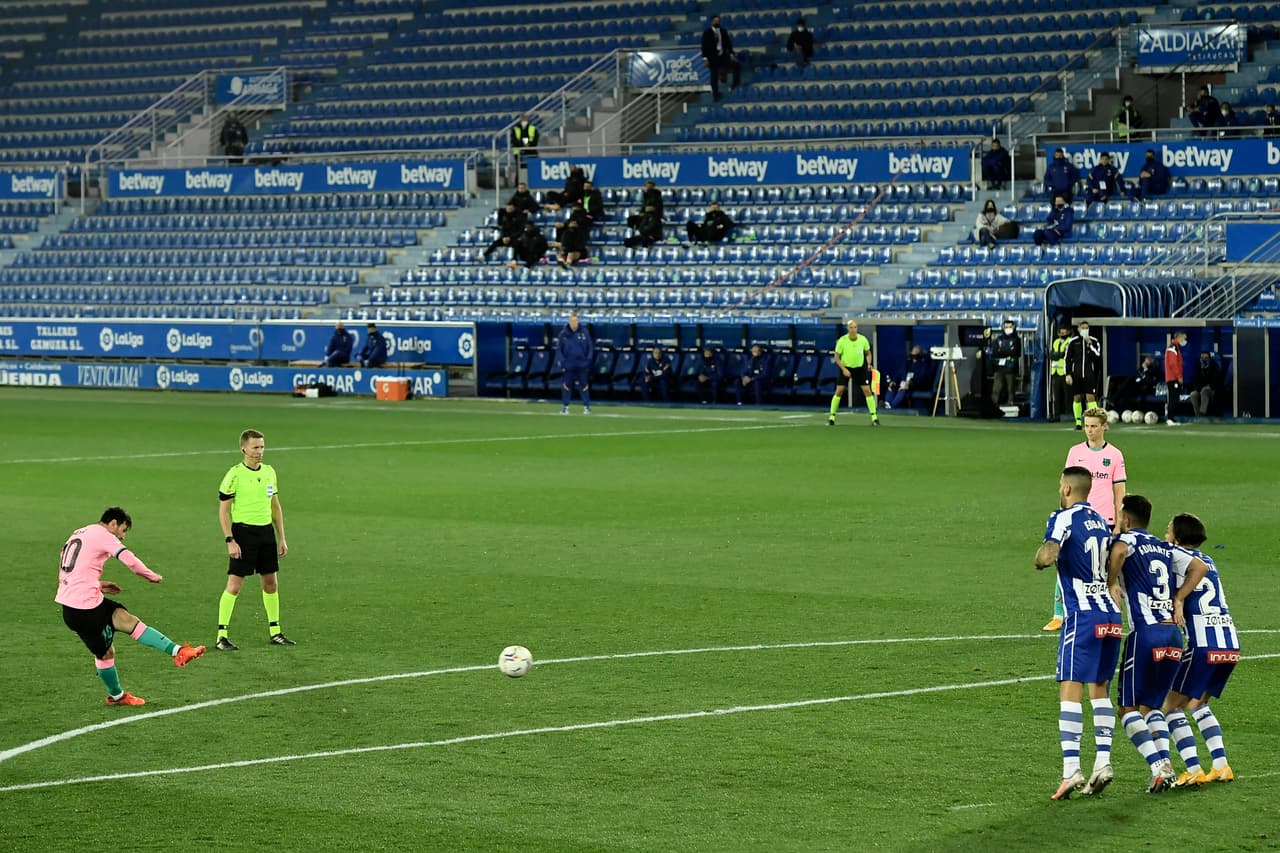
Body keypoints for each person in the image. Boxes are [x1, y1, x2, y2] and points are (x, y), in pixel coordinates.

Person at [1034, 466, 1125, 801]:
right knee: (1099, 690)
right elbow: (1116, 556)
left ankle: (1071, 769)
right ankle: (1103, 762)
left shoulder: (1063, 517)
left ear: (1068, 489)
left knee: (1070, 689)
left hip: (1082, 616)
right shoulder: (1101, 521)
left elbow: (1048, 553)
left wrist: (1042, 558)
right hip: (1111, 616)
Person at [57, 507, 204, 706]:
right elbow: (130, 560)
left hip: (81, 601)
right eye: (123, 530)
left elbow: (70, 568)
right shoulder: (103, 534)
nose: (122, 537)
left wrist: (97, 585)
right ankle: (117, 697)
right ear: (113, 523)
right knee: (105, 654)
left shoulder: (80, 532)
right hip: (83, 609)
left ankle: (178, 651)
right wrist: (152, 576)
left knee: (125, 618)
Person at [1106, 495, 1183, 794]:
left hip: (1146, 635)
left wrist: (1112, 582)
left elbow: (1119, 550)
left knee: (1127, 709)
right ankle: (1166, 768)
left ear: (1126, 519)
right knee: (1151, 707)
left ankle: (1158, 765)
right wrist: (1178, 599)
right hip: (1173, 636)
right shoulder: (1165, 547)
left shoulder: (1128, 539)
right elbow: (1196, 567)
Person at [1161, 512, 1239, 787]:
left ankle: (1193, 768)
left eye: (1168, 530)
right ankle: (1221, 765)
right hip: (1229, 644)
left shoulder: (1174, 557)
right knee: (1198, 704)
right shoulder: (1209, 560)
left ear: (1177, 537)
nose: (1165, 534)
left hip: (1202, 645)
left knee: (1172, 708)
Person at [1044, 405, 1128, 632]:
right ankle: (1058, 614)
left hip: (1104, 519)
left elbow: (1119, 491)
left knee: (1109, 567)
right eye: (1087, 426)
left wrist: (1119, 521)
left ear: (1104, 427)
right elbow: (1066, 485)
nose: (1089, 431)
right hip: (1077, 518)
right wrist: (1063, 512)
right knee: (1067, 562)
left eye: (1094, 426)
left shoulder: (1114, 455)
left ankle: (1113, 610)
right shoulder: (1075, 452)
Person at [217, 429, 292, 650]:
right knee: (234, 585)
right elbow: (223, 511)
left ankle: (275, 632)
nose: (260, 451)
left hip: (266, 533)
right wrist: (230, 539)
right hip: (243, 534)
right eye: (255, 447)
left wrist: (281, 537)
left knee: (271, 583)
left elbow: (275, 507)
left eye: (262, 447)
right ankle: (221, 636)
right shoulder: (234, 475)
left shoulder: (269, 472)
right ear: (244, 449)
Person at [827, 319, 878, 426]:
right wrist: (844, 369)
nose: (853, 329)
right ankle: (831, 417)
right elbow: (836, 357)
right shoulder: (842, 341)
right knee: (839, 391)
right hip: (846, 368)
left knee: (867, 391)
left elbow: (868, 353)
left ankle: (874, 418)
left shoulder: (863, 339)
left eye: (855, 327)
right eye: (851, 327)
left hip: (860, 368)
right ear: (848, 329)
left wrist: (869, 363)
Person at [1063, 320, 1101, 429]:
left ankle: (1094, 422)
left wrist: (1090, 344)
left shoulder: (1094, 341)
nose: (1085, 330)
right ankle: (1078, 422)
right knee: (1077, 397)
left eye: (1086, 328)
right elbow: (1067, 359)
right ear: (1078, 329)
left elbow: (1098, 356)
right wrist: (1068, 374)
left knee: (1091, 397)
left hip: (1089, 374)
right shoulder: (1073, 342)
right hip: (1076, 374)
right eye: (1083, 328)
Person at [556, 311, 593, 414]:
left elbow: (590, 347)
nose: (574, 323)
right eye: (572, 321)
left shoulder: (584, 332)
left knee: (584, 385)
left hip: (582, 364)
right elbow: (559, 349)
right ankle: (565, 406)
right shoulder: (563, 334)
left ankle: (586, 406)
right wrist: (563, 362)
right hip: (569, 364)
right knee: (567, 385)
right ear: (569, 322)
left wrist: (588, 360)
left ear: (578, 321)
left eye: (575, 321)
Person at [700, 14, 740, 102]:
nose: (717, 22)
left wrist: (732, 54)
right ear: (712, 22)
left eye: (718, 21)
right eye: (715, 21)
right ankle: (715, 94)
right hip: (712, 58)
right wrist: (705, 58)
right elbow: (704, 46)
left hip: (723, 56)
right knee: (713, 76)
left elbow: (728, 44)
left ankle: (735, 86)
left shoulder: (723, 31)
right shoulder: (707, 32)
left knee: (736, 65)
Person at [887, 345, 933, 409]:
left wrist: (910, 382)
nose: (914, 353)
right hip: (903, 383)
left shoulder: (923, 365)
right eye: (913, 351)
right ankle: (887, 404)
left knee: (903, 389)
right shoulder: (907, 363)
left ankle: (891, 407)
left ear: (920, 353)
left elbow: (923, 378)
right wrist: (894, 381)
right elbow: (898, 374)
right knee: (892, 387)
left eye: (916, 352)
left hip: (915, 385)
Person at [990, 319, 1022, 407]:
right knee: (996, 388)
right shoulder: (998, 339)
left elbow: (1015, 353)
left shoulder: (1017, 340)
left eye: (1010, 327)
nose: (1008, 329)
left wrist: (1002, 350)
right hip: (999, 368)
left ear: (1013, 327)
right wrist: (1007, 351)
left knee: (1010, 388)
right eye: (1006, 327)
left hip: (1011, 368)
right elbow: (995, 353)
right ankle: (994, 404)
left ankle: (1011, 404)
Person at [1164, 330, 1187, 426]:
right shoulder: (1172, 348)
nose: (1184, 341)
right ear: (1179, 337)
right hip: (1172, 378)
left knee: (1175, 398)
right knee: (1172, 398)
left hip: (1174, 378)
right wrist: (1179, 376)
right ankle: (1169, 418)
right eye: (1184, 338)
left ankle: (1172, 418)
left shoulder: (1176, 348)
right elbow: (1173, 364)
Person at [1190, 351, 1222, 417]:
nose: (1204, 360)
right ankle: (1198, 415)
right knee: (1193, 394)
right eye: (1202, 358)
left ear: (1209, 359)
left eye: (1206, 358)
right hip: (1201, 389)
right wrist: (1203, 370)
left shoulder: (1214, 367)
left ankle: (1202, 413)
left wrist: (1209, 386)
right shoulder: (1198, 367)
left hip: (1213, 390)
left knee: (1204, 390)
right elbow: (1196, 382)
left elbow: (1216, 382)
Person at [1049, 323, 1070, 422]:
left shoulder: (1070, 341)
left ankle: (1068, 414)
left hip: (1065, 372)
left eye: (1064, 333)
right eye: (1061, 333)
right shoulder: (1056, 342)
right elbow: (1051, 354)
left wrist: (1057, 355)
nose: (1062, 334)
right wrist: (1057, 355)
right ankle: (1056, 415)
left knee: (1067, 395)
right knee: (1056, 396)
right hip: (1055, 372)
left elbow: (1064, 354)